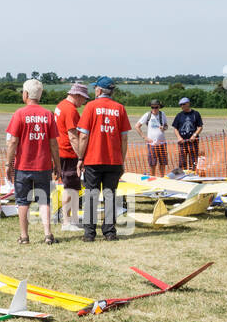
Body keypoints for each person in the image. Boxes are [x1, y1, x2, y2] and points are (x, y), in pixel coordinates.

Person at [5, 78, 62, 244]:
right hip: (43, 166)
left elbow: (13, 142)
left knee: (23, 201)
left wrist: (9, 164)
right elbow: (53, 143)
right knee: (44, 200)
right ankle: (48, 235)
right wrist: (57, 164)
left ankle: (24, 236)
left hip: (23, 166)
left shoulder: (19, 114)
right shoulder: (48, 114)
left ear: (25, 94)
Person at [75, 76, 130, 241]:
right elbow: (124, 138)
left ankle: (89, 233)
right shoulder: (120, 108)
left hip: (93, 159)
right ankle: (110, 232)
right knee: (110, 195)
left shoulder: (91, 107)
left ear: (98, 90)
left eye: (94, 89)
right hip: (113, 160)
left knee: (91, 195)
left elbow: (83, 136)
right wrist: (121, 161)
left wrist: (80, 158)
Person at [53, 80, 89, 231]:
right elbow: (73, 136)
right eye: (83, 98)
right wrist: (81, 156)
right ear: (77, 95)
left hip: (60, 152)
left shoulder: (61, 105)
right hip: (68, 153)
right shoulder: (71, 110)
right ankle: (67, 222)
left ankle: (70, 220)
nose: (84, 101)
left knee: (71, 187)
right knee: (71, 188)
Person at [137, 99, 170, 177]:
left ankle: (161, 178)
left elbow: (166, 126)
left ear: (159, 107)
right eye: (152, 107)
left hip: (162, 143)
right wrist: (144, 137)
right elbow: (137, 126)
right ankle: (153, 177)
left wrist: (164, 128)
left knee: (163, 162)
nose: (154, 109)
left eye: (156, 107)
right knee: (152, 163)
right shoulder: (147, 115)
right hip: (151, 144)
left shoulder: (162, 114)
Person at [171, 96, 204, 173]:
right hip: (182, 142)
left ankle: (193, 174)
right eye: (180, 105)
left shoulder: (195, 114)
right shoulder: (179, 115)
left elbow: (200, 127)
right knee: (182, 160)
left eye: (183, 104)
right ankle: (183, 175)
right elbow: (175, 128)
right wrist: (179, 137)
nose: (182, 106)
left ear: (188, 104)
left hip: (193, 141)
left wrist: (194, 135)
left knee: (193, 159)